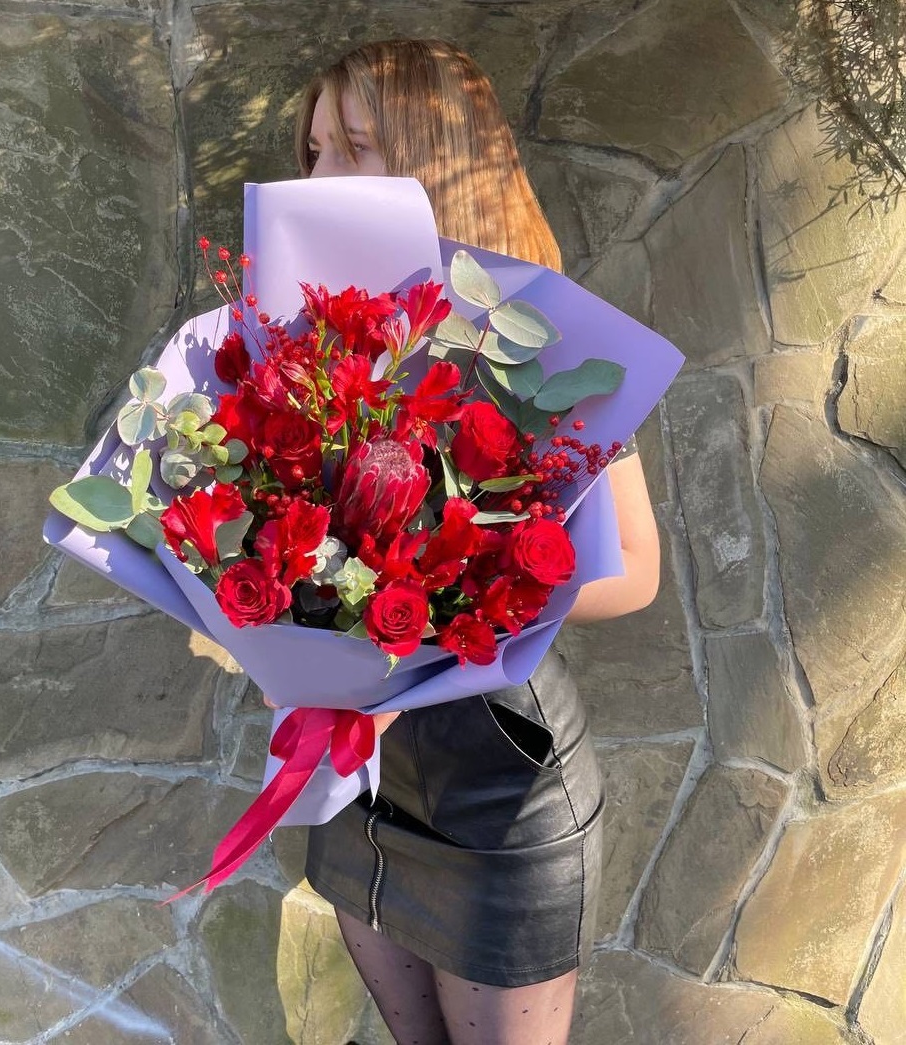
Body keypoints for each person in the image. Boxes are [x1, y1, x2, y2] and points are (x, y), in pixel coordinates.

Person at [291, 39, 660, 1045]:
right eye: (313, 149)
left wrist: (464, 588)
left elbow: (635, 568)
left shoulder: (544, 338)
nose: (317, 176)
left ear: (432, 156)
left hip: (505, 793)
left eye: (353, 146)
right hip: (363, 778)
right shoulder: (308, 340)